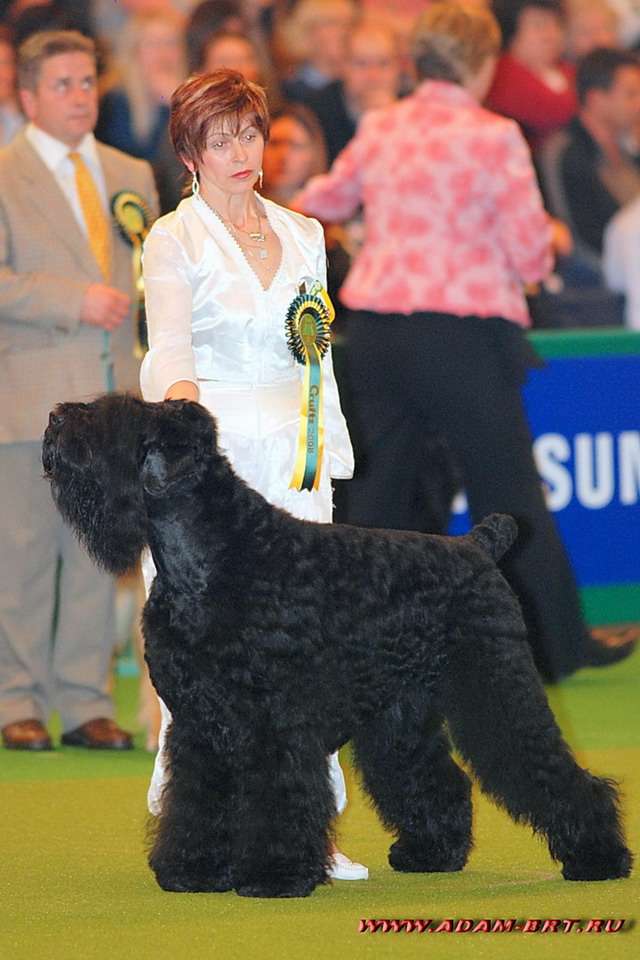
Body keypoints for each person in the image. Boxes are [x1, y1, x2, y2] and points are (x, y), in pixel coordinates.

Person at [294, 1, 638, 683]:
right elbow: (528, 249)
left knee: (377, 498)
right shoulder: (494, 135)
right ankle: (551, 646)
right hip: (460, 334)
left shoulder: (382, 123)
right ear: (482, 63)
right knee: (507, 493)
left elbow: (323, 200)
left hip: (378, 333)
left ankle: (338, 649)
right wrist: (541, 249)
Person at [140, 68, 367, 880]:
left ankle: (309, 832)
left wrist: (328, 449)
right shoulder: (173, 239)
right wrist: (187, 444)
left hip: (298, 458)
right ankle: (206, 832)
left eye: (249, 133)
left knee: (304, 650)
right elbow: (169, 350)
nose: (240, 152)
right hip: (214, 467)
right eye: (219, 139)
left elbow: (315, 360)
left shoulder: (305, 233)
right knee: (207, 662)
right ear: (189, 154)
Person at [0, 30, 159, 750]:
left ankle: (87, 701)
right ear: (27, 95)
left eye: (88, 81)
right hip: (29, 392)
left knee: (101, 554)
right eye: (62, 84)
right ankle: (17, 701)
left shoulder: (131, 173)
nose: (79, 96)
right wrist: (74, 299)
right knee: (24, 556)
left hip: (112, 400)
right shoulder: (6, 174)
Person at [538, 46, 640, 255]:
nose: (638, 104)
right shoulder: (564, 153)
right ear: (596, 98)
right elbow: (575, 241)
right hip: (599, 272)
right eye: (631, 94)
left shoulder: (626, 147)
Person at [486, 0, 578, 155]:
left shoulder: (569, 70)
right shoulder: (503, 75)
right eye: (539, 26)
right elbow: (552, 114)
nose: (552, 34)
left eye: (557, 24)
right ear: (511, 30)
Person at [95, 11, 186, 164]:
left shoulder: (191, 97)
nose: (163, 53)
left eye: (171, 43)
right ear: (133, 51)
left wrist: (180, 103)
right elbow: (132, 158)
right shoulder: (114, 101)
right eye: (152, 43)